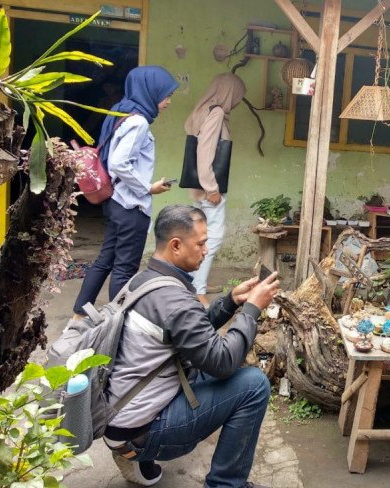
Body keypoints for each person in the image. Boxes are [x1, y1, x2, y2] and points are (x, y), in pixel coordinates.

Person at [104, 204, 279, 488]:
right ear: (175, 245)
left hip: (119, 419)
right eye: (200, 243)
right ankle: (225, 484)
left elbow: (191, 334)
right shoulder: (176, 301)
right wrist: (252, 310)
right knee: (253, 384)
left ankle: (133, 455)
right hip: (141, 432)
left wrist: (230, 301)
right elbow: (222, 362)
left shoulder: (144, 281)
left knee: (204, 368)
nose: (206, 250)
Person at [73, 66, 179, 316]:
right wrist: (148, 188)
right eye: (165, 95)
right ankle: (116, 323)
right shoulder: (139, 122)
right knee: (124, 269)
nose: (168, 102)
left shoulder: (121, 111)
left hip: (115, 202)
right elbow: (120, 163)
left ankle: (78, 315)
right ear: (150, 92)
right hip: (131, 206)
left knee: (105, 260)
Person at [183, 72, 247, 305]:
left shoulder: (202, 109)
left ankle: (195, 280)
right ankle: (198, 291)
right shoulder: (217, 112)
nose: (237, 101)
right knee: (213, 237)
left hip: (199, 188)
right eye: (237, 96)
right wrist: (211, 188)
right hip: (209, 190)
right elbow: (205, 151)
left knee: (198, 236)